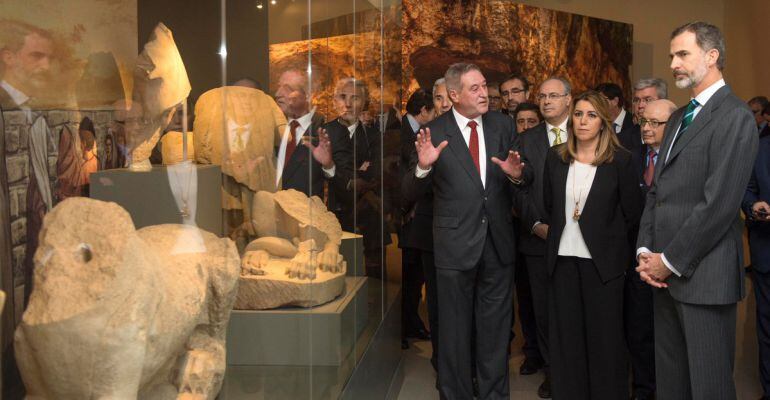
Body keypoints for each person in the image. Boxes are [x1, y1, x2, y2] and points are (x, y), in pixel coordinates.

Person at [636, 21, 758, 400]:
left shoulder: (735, 116)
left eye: (682, 54)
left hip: (704, 277)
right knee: (671, 383)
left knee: (708, 387)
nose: (673, 63)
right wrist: (645, 251)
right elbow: (657, 192)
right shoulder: (678, 117)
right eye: (672, 55)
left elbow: (718, 205)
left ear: (711, 56)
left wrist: (669, 261)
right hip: (662, 276)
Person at [403, 62, 527, 399]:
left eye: (485, 85)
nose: (485, 93)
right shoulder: (433, 131)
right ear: (454, 95)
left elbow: (523, 178)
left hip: (498, 244)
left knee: (496, 331)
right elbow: (407, 192)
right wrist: (423, 167)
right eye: (475, 88)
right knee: (454, 332)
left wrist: (517, 175)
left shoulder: (503, 125)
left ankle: (493, 395)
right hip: (454, 246)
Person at [543, 90, 642, 399]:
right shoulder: (556, 157)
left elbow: (632, 213)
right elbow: (549, 205)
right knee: (566, 340)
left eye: (591, 115)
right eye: (578, 114)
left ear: (603, 121)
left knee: (605, 341)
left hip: (604, 266)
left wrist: (609, 242)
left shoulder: (621, 160)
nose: (583, 121)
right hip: (562, 262)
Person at [516, 76, 574, 398]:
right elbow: (517, 188)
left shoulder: (585, 131)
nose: (547, 101)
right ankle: (554, 374)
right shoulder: (526, 140)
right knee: (544, 310)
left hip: (581, 241)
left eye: (554, 95)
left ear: (568, 99)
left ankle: (576, 370)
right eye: (542, 96)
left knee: (573, 309)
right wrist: (535, 223)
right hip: (538, 240)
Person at [323, 78, 389, 278]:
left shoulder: (374, 136)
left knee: (374, 275)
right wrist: (354, 175)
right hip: (334, 214)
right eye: (343, 97)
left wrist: (335, 171)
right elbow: (320, 172)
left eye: (355, 98)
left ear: (364, 103)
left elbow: (374, 174)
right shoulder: (324, 132)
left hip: (369, 217)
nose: (348, 103)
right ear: (335, 101)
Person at [273, 69, 350, 201]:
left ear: (308, 95)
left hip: (305, 212)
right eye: (279, 87)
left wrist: (329, 166)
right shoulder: (271, 127)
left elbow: (346, 187)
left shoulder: (331, 132)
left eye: (288, 89)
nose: (278, 94)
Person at [398, 88, 436, 351]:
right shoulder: (397, 132)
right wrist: (406, 208)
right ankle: (402, 327)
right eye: (436, 106)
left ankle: (411, 322)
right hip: (404, 216)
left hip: (418, 216)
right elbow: (396, 174)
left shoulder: (423, 132)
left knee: (415, 275)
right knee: (407, 275)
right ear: (424, 111)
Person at [743, 114, 770, 400]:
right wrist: (754, 206)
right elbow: (747, 191)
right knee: (766, 329)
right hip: (766, 254)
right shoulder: (760, 148)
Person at [595, 82, 637, 153]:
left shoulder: (633, 123)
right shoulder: (598, 123)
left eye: (601, 100)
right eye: (596, 101)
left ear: (615, 101)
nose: (597, 105)